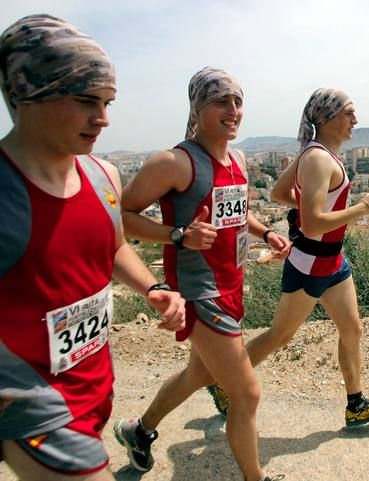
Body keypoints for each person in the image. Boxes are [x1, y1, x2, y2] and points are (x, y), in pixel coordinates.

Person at [0, 14, 186, 481]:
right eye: (85, 100)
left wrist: (151, 288)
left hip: (93, 385)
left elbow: (113, 245)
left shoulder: (103, 177)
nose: (102, 118)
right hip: (32, 404)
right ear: (27, 93)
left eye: (107, 102)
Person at [114, 67, 289, 481]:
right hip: (197, 292)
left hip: (231, 285)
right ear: (198, 106)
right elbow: (119, 218)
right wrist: (178, 235)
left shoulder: (239, 159)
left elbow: (236, 213)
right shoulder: (174, 162)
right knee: (246, 393)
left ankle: (139, 431)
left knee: (200, 373)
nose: (233, 110)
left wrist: (266, 233)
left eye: (238, 101)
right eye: (221, 101)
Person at [209, 88, 369, 428]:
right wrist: (362, 209)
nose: (355, 119)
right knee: (279, 336)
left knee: (352, 329)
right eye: (348, 113)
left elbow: (279, 193)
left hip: (332, 261)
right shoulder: (318, 159)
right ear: (326, 119)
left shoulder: (315, 153)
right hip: (312, 261)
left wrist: (313, 206)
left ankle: (356, 404)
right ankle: (225, 381)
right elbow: (311, 225)